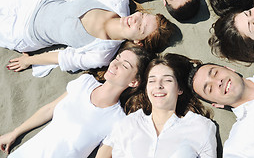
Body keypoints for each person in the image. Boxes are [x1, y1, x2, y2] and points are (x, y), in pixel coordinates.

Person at [0, 46, 154, 157]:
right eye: (118, 58)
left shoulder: (118, 121)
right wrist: (15, 133)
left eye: (125, 65)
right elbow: (49, 109)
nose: (115, 64)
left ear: (134, 82)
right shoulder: (85, 83)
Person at [2, 0, 175, 77]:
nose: (135, 19)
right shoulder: (117, 1)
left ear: (138, 41)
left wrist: (29, 61)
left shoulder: (101, 53)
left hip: (23, 32)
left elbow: (63, 58)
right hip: (33, 2)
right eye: (142, 17)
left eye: (141, 28)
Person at [96, 53, 217, 158]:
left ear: (179, 88)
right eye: (152, 80)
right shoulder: (127, 124)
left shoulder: (200, 127)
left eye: (167, 80)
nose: (158, 85)